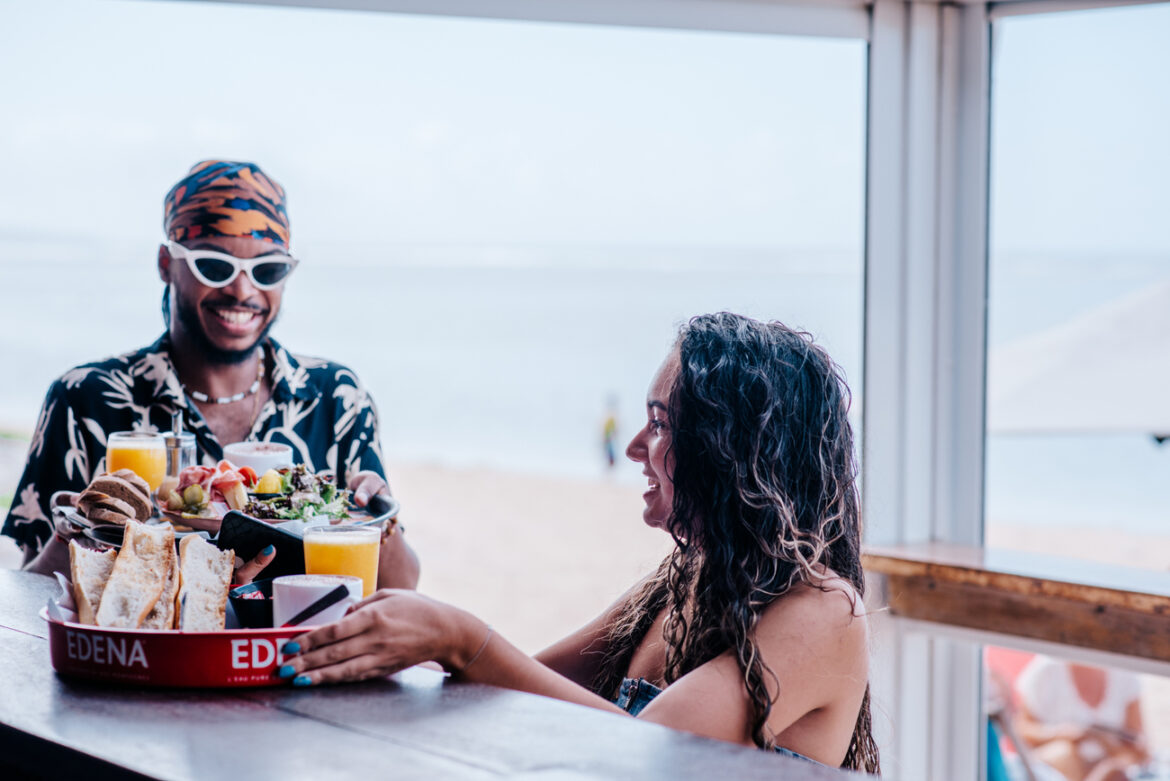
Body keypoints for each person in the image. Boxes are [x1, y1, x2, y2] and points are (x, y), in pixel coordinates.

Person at [277, 313, 880, 772]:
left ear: (736, 453)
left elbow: (649, 756)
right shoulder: (685, 581)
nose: (634, 447)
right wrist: (419, 633)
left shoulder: (826, 613)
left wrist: (460, 636)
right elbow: (522, 691)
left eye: (662, 423)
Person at [4, 160, 418, 588]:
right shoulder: (86, 398)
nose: (242, 290)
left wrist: (380, 517)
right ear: (166, 263)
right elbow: (30, 592)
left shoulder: (336, 398)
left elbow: (398, 590)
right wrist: (74, 529)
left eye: (268, 269)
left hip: (300, 651)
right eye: (214, 266)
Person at [1014, 656, 1148, 781]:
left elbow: (1140, 747)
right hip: (1059, 765)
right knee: (1063, 753)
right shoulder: (1046, 670)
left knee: (1117, 769)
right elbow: (1022, 728)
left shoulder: (1124, 673)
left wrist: (1105, 743)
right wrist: (1059, 734)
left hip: (1107, 762)